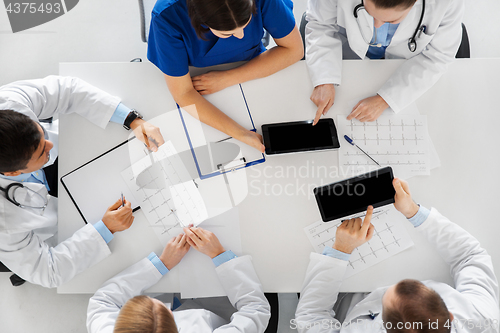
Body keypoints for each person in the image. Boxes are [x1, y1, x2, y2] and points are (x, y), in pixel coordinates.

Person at [0, 75, 165, 288]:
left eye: (42, 134)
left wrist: (131, 119)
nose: (50, 144)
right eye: (42, 150)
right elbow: (48, 272)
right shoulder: (5, 222)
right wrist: (106, 229)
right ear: (13, 173)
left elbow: (67, 90)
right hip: (20, 230)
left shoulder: (8, 103)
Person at [294, 178, 499, 332]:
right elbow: (469, 257)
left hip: (350, 293)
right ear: (451, 317)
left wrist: (340, 250)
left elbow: (311, 318)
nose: (389, 284)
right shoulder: (482, 319)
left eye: (386, 296)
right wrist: (415, 212)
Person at [147, 0, 304, 152]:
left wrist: (228, 78)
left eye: (247, 22)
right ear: (199, 18)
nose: (241, 35)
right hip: (198, 79)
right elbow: (183, 93)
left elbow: (294, 50)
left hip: (255, 69)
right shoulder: (167, 16)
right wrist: (241, 134)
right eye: (226, 33)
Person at [306, 0, 465, 124]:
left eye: (392, 20)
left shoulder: (446, 3)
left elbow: (438, 56)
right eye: (368, 12)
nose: (376, 25)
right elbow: (320, 26)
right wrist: (324, 78)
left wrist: (386, 99)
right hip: (348, 59)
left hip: (405, 65)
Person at [87, 227, 271, 332]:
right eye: (156, 304)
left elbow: (102, 301)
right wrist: (219, 254)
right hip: (223, 308)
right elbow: (256, 310)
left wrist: (161, 264)